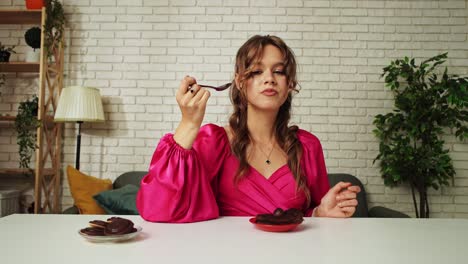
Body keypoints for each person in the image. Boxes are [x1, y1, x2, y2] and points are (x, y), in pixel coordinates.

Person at [137, 35, 361, 223]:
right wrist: (188, 123)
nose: (269, 79)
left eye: (279, 71)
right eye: (256, 71)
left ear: (289, 83)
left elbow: (313, 217)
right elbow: (158, 209)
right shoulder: (214, 141)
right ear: (240, 81)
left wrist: (321, 213)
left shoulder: (307, 146)